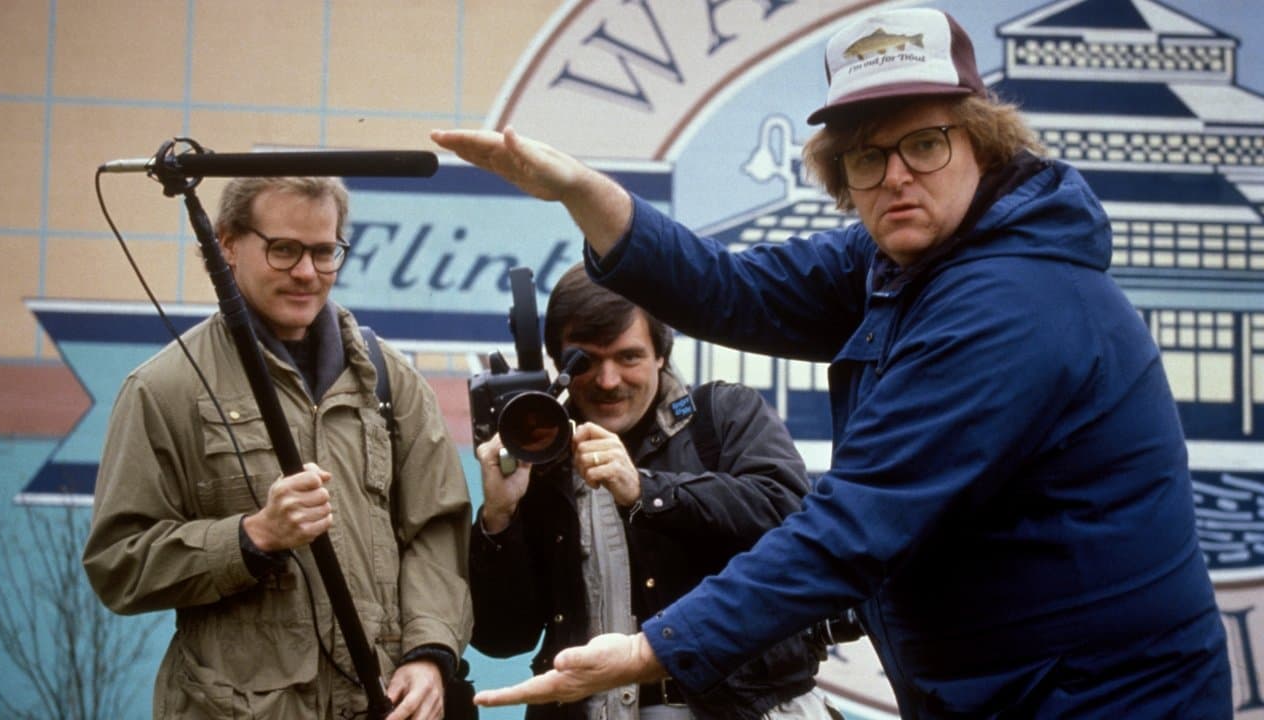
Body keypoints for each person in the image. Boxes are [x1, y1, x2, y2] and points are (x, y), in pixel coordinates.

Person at [432, 6, 1231, 717]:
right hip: (1004, 686)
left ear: (983, 144)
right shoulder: (896, 260)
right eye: (866, 156)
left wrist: (652, 651)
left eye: (925, 143)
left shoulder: (1009, 304)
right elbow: (729, 287)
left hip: (1094, 695)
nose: (896, 177)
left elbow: (851, 529)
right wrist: (579, 190)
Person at [82, 176, 473, 720]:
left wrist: (428, 653)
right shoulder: (165, 388)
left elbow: (436, 532)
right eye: (284, 250)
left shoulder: (389, 380)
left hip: (378, 701)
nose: (307, 272)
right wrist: (251, 537)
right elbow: (118, 563)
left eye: (324, 252)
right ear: (226, 244)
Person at [469, 263, 836, 720]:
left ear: (661, 354)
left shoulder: (722, 414)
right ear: (557, 362)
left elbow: (791, 519)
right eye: (584, 361)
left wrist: (647, 490)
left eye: (628, 357)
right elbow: (502, 637)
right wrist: (499, 518)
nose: (608, 381)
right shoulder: (538, 457)